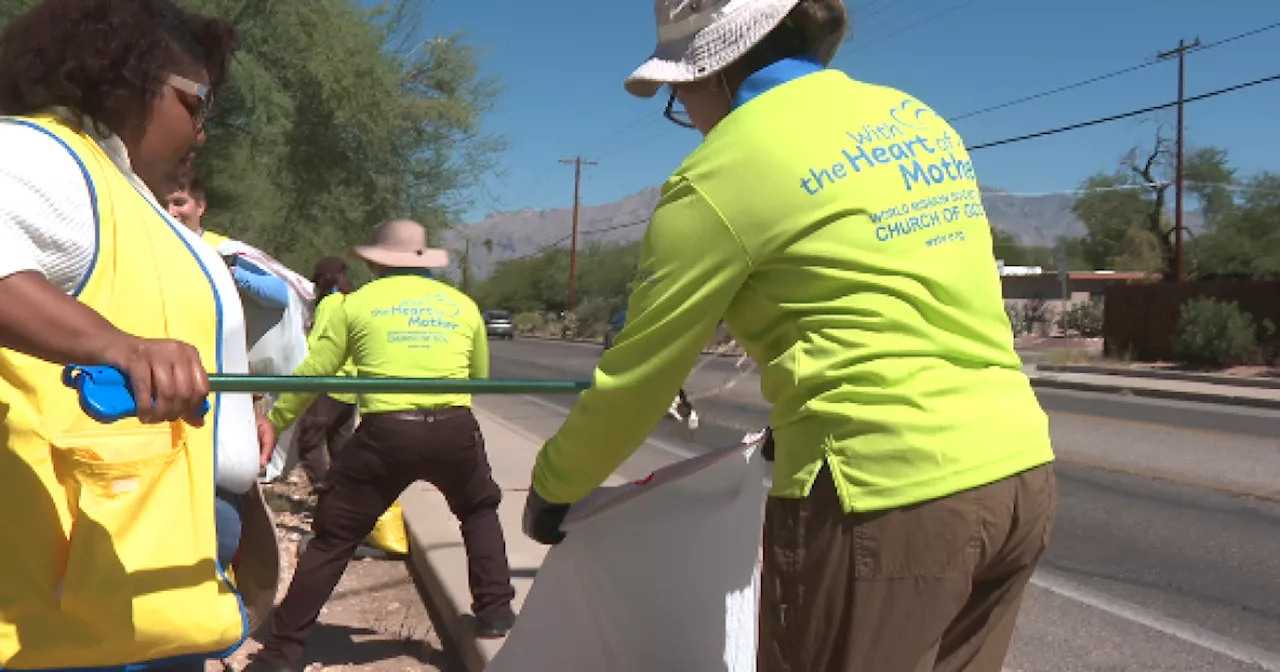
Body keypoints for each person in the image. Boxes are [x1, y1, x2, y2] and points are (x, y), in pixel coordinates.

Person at [521, 1, 1057, 671]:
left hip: (881, 494)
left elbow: (638, 378)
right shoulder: (916, 121)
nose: (686, 115)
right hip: (1019, 474)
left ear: (712, 72)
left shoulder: (719, 174)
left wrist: (554, 487)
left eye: (679, 93)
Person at [0, 0, 277, 668]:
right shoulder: (36, 151)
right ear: (130, 77)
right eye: (197, 103)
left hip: (147, 554)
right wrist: (116, 346)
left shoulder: (117, 188)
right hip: (84, 578)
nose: (203, 132)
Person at [242, 220, 517, 672]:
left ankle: (282, 653)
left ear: (374, 262)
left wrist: (274, 420)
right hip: (454, 428)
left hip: (387, 433)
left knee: (334, 538)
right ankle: (494, 612)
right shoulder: (464, 306)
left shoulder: (357, 304)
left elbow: (316, 372)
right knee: (478, 510)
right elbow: (479, 376)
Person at [164, 173, 292, 314]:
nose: (170, 212)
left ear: (200, 207)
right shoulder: (148, 248)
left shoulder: (224, 250)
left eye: (179, 203)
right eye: (162, 204)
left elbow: (281, 295)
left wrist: (234, 274)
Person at [292, 256, 359, 490]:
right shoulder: (353, 302)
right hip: (350, 388)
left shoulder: (329, 304)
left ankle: (325, 489)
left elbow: (317, 344)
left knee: (310, 440)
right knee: (340, 443)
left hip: (327, 385)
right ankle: (346, 492)